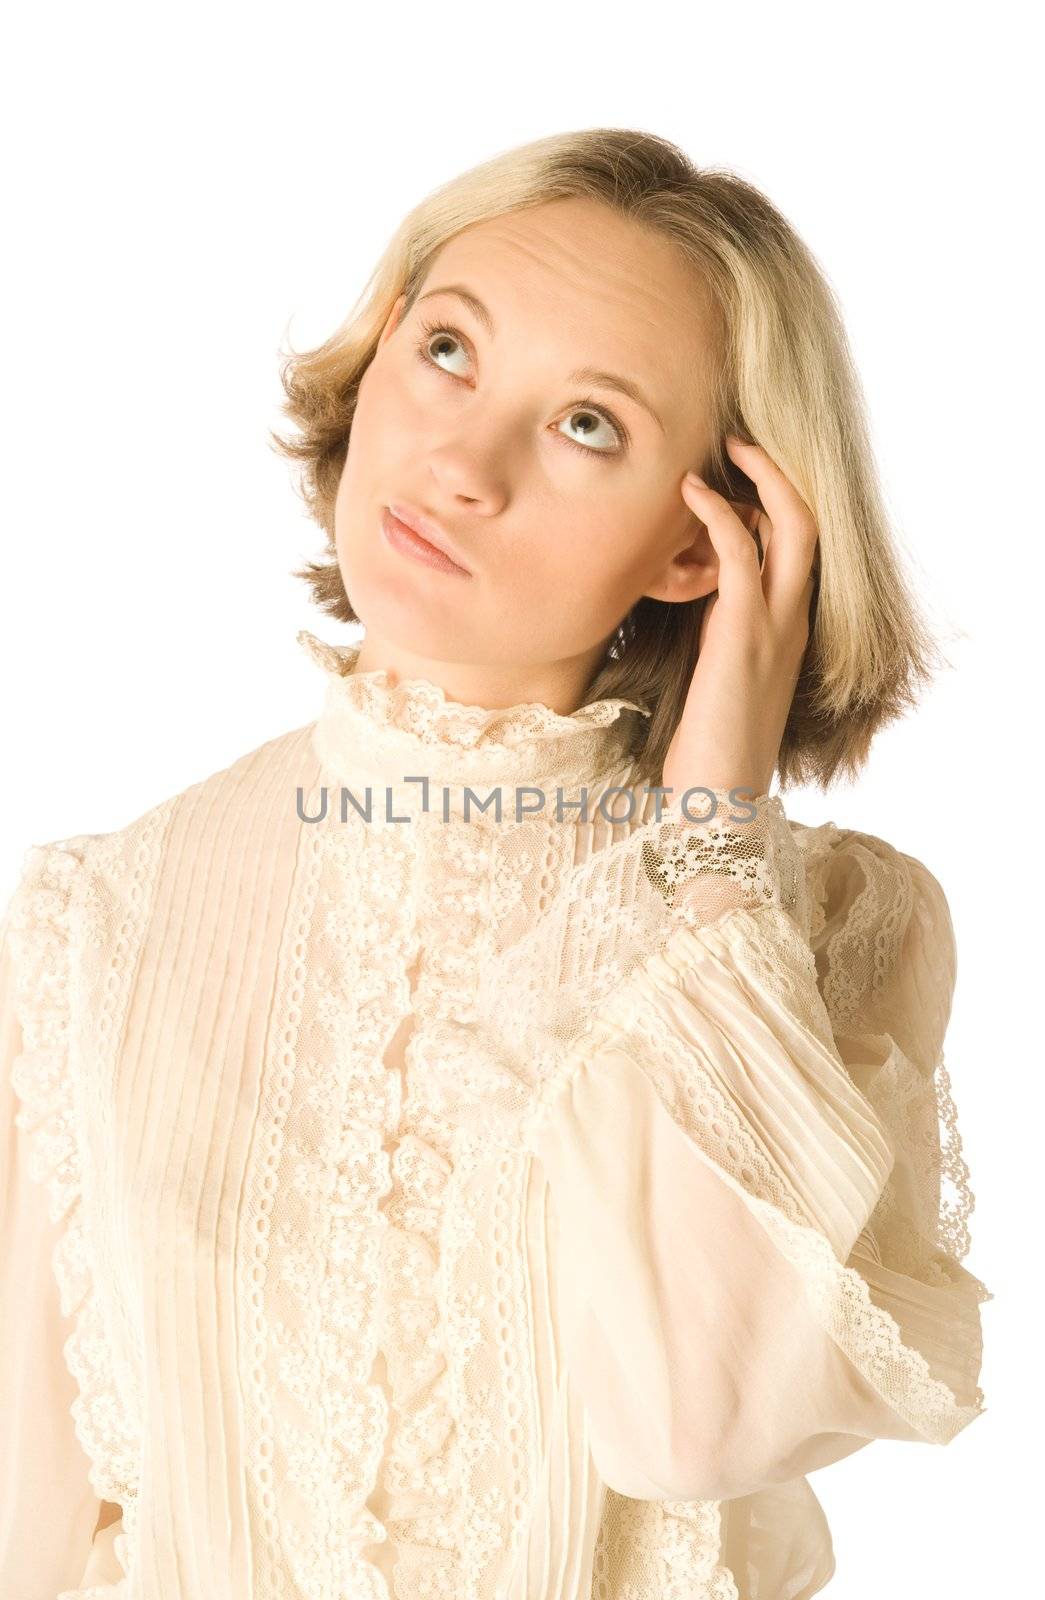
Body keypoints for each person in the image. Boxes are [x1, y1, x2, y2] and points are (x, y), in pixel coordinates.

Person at [0, 127, 990, 1600]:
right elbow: (31, 1519)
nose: (458, 462)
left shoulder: (825, 923)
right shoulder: (93, 923)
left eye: (587, 424)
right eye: (448, 349)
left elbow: (698, 1426)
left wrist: (710, 832)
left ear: (700, 545)